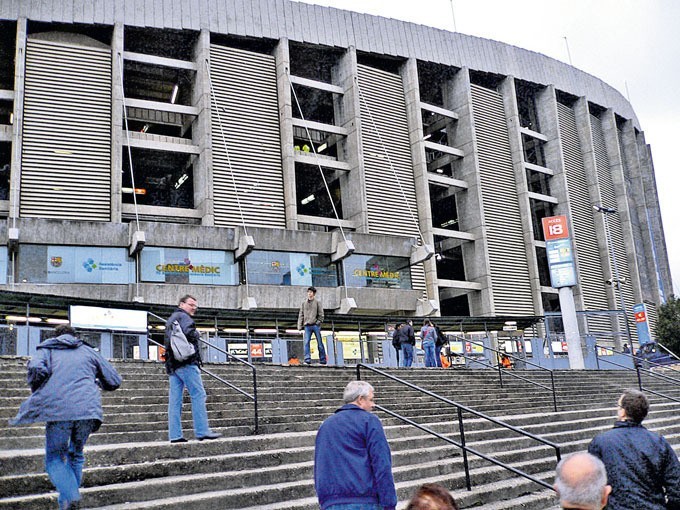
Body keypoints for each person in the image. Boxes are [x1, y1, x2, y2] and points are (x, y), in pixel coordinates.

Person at [10, 325, 122, 510]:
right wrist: (96, 382)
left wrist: (41, 386)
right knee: (76, 454)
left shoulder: (47, 350)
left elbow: (37, 368)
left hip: (59, 409)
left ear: (56, 337)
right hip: (88, 410)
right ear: (74, 336)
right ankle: (68, 502)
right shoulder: (88, 351)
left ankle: (70, 493)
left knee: (54, 458)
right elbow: (114, 380)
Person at [588, 389, 680, 509]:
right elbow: (676, 486)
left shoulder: (600, 442)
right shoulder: (658, 442)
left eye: (619, 406)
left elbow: (591, 486)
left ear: (623, 412)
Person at [314, 380, 397, 510]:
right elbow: (381, 463)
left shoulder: (326, 425)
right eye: (371, 399)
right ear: (360, 400)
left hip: (331, 502)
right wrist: (389, 503)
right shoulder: (369, 421)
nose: (373, 404)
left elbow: (320, 464)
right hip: (364, 500)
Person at [165, 295, 222, 443]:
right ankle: (202, 431)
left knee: (175, 401)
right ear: (181, 304)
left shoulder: (171, 318)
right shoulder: (184, 318)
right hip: (187, 362)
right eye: (191, 304)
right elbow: (189, 332)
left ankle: (175, 435)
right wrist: (197, 334)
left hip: (173, 364)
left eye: (195, 305)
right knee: (198, 394)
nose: (194, 308)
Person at [297, 286, 327, 365]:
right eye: (308, 292)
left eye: (311, 292)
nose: (309, 294)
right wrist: (299, 326)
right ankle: (307, 359)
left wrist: (318, 322)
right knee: (306, 343)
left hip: (315, 325)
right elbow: (301, 315)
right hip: (307, 326)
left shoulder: (317, 302)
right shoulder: (304, 303)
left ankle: (323, 360)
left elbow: (321, 314)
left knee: (319, 343)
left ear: (314, 294)